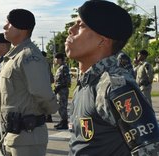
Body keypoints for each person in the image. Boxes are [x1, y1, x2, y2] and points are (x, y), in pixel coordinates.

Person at [64, 1, 159, 155]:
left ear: (103, 40)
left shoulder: (115, 86)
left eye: (80, 25)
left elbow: (150, 149)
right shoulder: (87, 82)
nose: (70, 30)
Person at [0, 9, 59, 156]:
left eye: (9, 23)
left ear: (22, 29)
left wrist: (50, 110)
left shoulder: (29, 56)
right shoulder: (14, 56)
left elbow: (42, 93)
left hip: (27, 135)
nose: (5, 27)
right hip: (13, 134)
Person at [53, 53, 71, 130]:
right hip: (59, 90)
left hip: (62, 90)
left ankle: (64, 123)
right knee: (60, 106)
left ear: (60, 59)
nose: (55, 60)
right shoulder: (59, 68)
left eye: (56, 58)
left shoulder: (64, 67)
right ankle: (62, 121)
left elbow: (67, 80)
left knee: (63, 106)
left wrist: (59, 87)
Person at [41, 51, 54, 123]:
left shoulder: (42, 63)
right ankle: (48, 116)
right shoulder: (47, 63)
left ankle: (47, 116)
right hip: (48, 84)